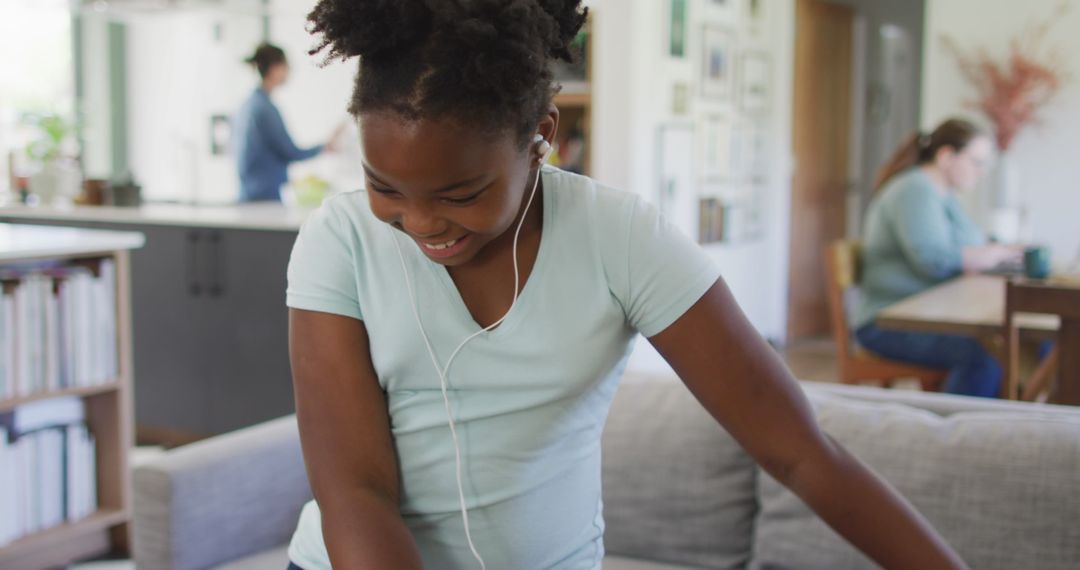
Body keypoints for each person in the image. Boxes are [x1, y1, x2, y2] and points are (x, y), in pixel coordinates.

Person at [284, 2, 968, 569]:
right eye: (385, 187)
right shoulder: (340, 242)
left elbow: (797, 452)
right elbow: (356, 493)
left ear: (541, 137)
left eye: (462, 192)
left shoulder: (621, 239)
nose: (423, 222)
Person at [854, 118, 1021, 398]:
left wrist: (996, 251)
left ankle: (1008, 426)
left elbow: (972, 243)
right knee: (984, 355)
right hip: (886, 322)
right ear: (946, 156)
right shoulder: (915, 190)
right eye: (976, 162)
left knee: (1029, 344)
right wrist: (991, 255)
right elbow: (934, 260)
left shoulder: (941, 194)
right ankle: (956, 436)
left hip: (925, 314)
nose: (980, 172)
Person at [234, 43, 341, 202]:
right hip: (264, 199)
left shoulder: (248, 105)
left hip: (250, 195)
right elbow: (291, 152)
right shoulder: (264, 109)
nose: (289, 72)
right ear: (275, 68)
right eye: (287, 66)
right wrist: (325, 147)